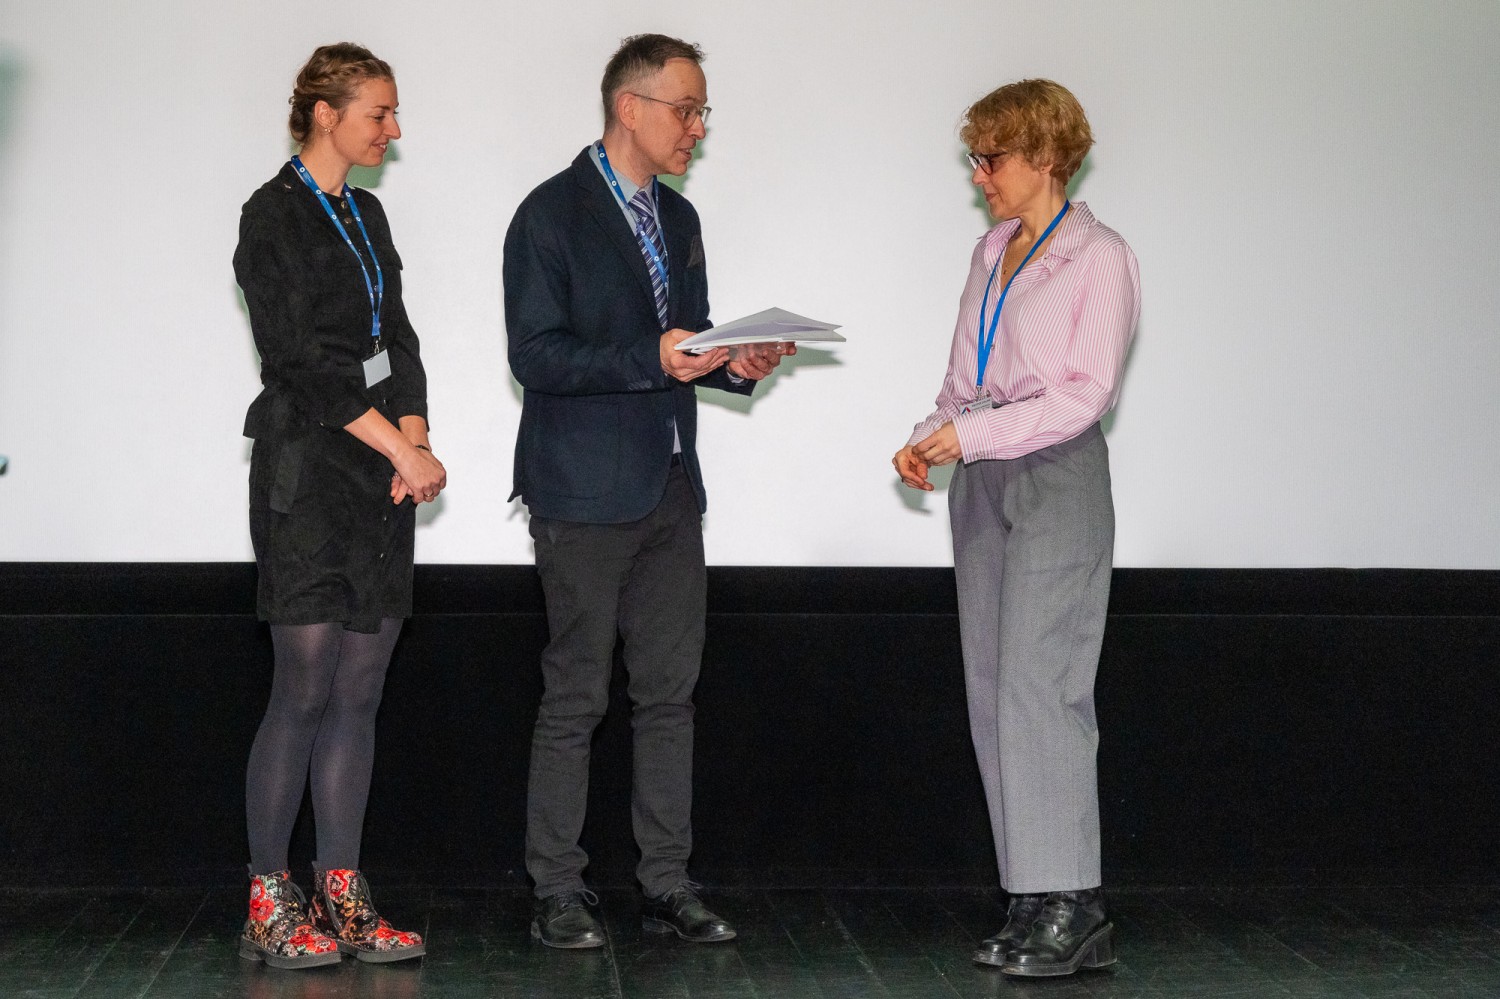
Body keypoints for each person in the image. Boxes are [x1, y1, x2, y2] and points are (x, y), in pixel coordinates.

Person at [504, 32, 792, 950]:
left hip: (671, 484)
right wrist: (651, 357)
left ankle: (667, 881)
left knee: (670, 695)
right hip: (582, 493)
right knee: (576, 696)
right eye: (686, 109)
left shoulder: (680, 216)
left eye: (703, 111)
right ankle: (558, 888)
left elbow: (687, 344)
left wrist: (736, 362)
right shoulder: (549, 214)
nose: (697, 128)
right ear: (630, 107)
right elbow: (535, 356)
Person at [893, 79, 1140, 978]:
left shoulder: (1098, 256)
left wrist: (973, 434)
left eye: (991, 158)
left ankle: (1076, 900)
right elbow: (965, 382)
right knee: (994, 687)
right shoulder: (990, 251)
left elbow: (1084, 393)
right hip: (984, 477)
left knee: (1045, 683)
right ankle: (1033, 895)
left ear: (1043, 154)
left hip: (1055, 471)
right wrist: (931, 435)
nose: (980, 175)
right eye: (976, 158)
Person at [233, 42, 442, 969]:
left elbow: (398, 338)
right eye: (378, 112)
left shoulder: (367, 212)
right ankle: (268, 899)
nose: (393, 128)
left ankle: (343, 892)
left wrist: (416, 437)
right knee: (306, 685)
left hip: (377, 479)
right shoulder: (269, 214)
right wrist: (398, 446)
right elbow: (301, 364)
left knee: (361, 689)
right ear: (326, 113)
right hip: (305, 477)